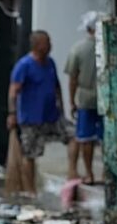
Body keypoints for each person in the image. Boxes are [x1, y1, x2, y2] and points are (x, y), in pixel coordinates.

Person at [7, 30, 74, 195]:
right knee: (29, 154)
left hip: (51, 116)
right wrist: (12, 113)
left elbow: (56, 86)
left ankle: (73, 172)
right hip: (31, 119)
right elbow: (13, 91)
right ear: (37, 46)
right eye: (47, 43)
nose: (50, 46)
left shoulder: (50, 63)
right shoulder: (24, 65)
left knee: (73, 135)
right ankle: (30, 191)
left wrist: (62, 108)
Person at [66, 11, 102, 184]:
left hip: (85, 100)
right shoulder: (108, 47)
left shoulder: (78, 49)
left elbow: (73, 79)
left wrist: (72, 101)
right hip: (106, 99)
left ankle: (89, 173)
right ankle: (108, 173)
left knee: (86, 139)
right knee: (106, 138)